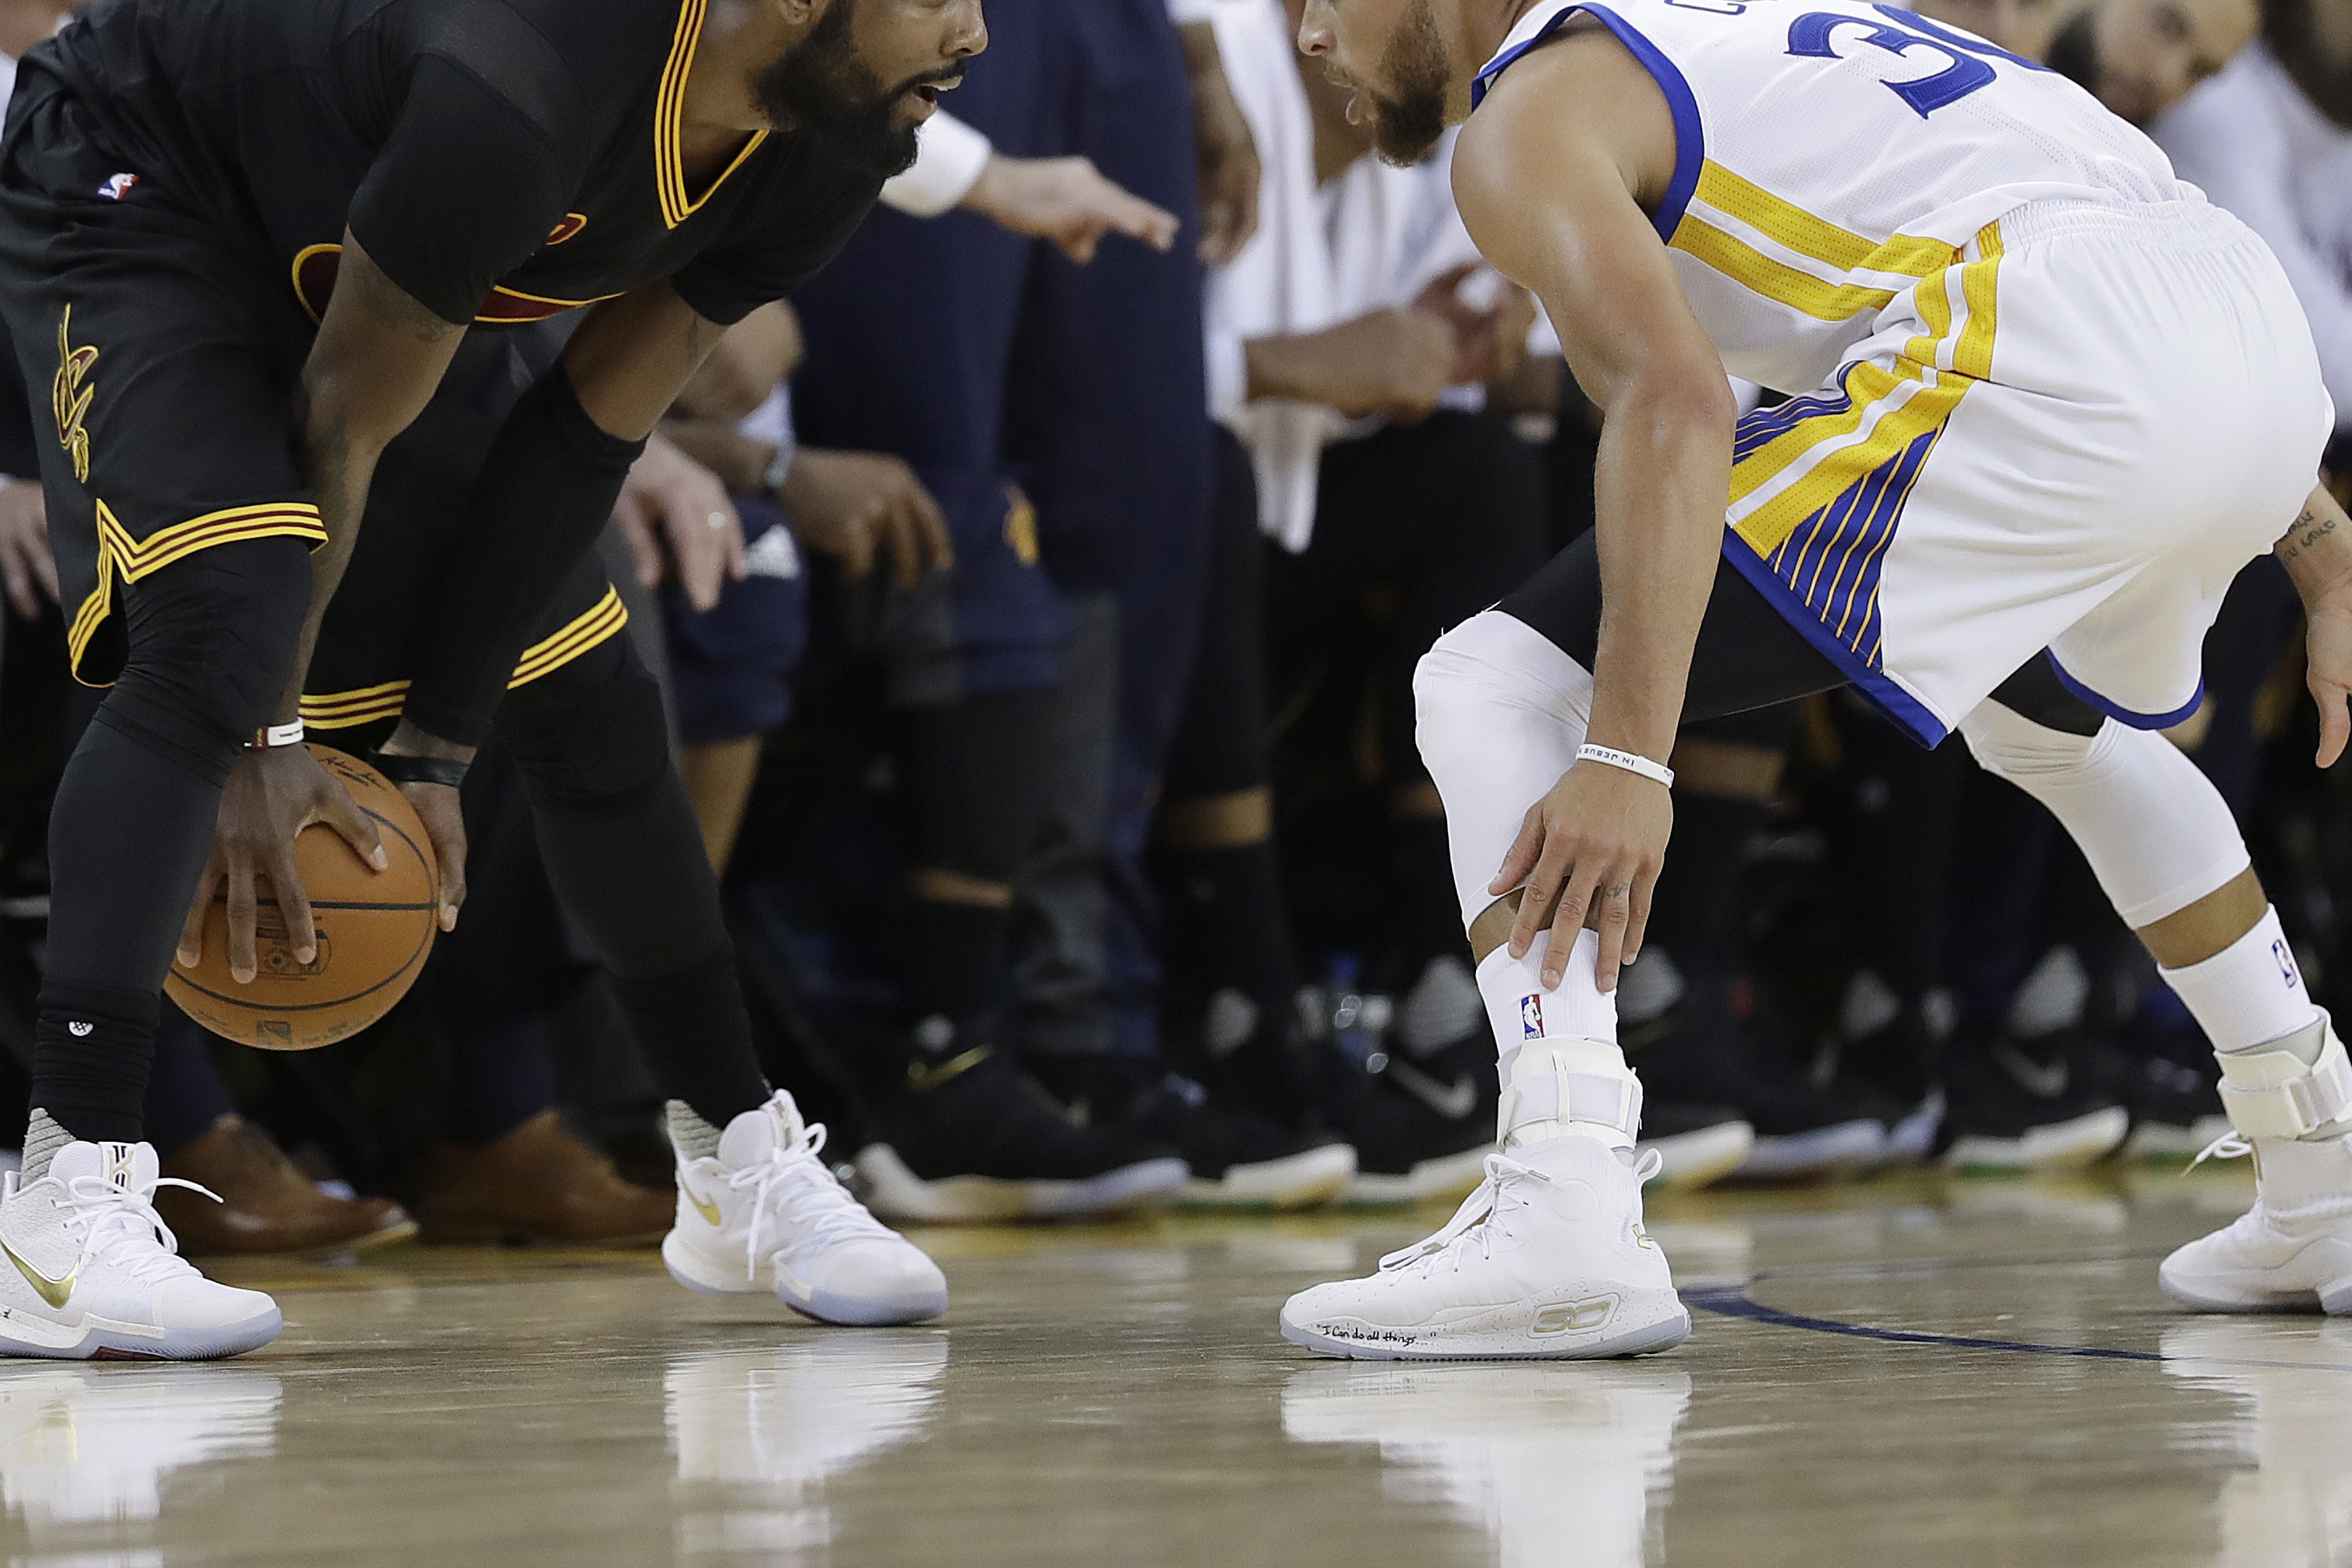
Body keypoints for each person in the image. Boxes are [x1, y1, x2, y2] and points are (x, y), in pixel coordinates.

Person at [1277, 0, 2346, 1360]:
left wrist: (1627, 755)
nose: (1307, 32)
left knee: (1489, 684)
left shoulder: (1528, 113)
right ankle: (2325, 1162)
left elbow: (1676, 403)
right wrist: (2322, 542)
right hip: (2245, 340)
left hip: (2048, 342)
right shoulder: (1759, 27)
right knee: (2054, 730)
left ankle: (1566, 1197)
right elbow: (2119, 257)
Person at [0, 0, 974, 1361]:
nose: (973, 30)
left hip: (371, 270)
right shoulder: (524, 87)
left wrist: (439, 744)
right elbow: (342, 417)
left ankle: (734, 1158)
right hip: (147, 176)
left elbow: (580, 436)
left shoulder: (838, 134)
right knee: (226, 617)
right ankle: (64, 1194)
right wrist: (268, 732)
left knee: (589, 691)